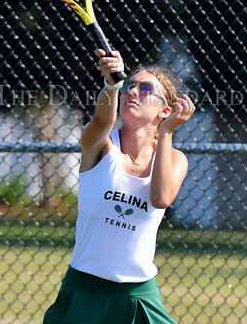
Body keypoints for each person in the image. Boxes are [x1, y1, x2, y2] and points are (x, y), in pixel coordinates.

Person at [44, 49, 195, 324]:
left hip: (138, 296)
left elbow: (161, 198)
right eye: (130, 85)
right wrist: (111, 84)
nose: (133, 91)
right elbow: (103, 119)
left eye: (146, 88)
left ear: (165, 110)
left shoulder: (174, 158)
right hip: (84, 290)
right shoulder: (100, 145)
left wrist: (166, 133)